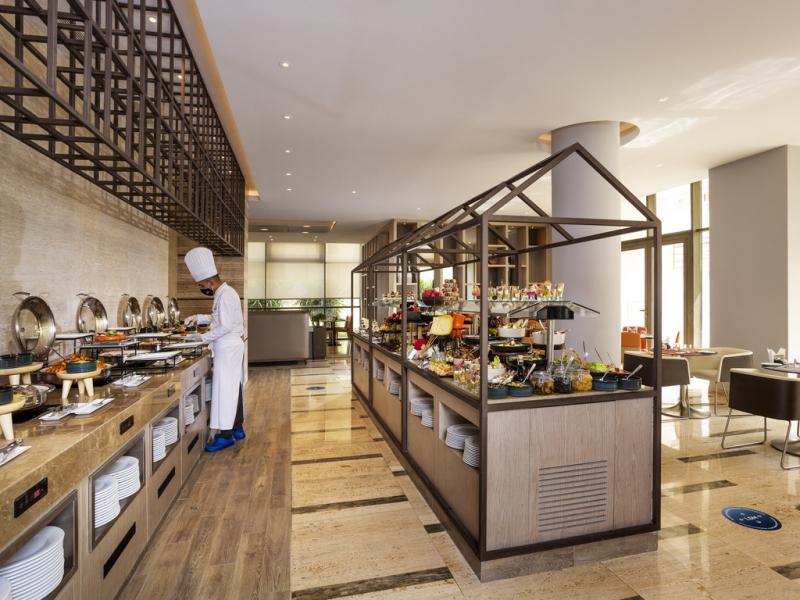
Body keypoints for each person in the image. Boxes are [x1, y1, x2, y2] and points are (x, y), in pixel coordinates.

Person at [184, 247, 245, 452]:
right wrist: (199, 318)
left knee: (225, 389)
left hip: (228, 347)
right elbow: (219, 318)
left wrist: (201, 338)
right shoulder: (223, 293)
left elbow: (225, 326)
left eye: (202, 285)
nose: (202, 288)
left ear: (210, 281)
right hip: (228, 347)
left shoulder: (226, 295)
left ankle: (226, 435)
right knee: (232, 387)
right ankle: (237, 427)